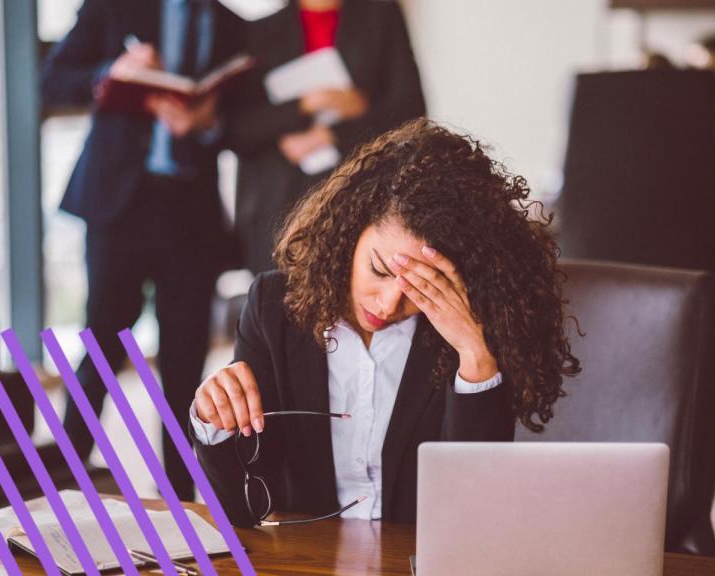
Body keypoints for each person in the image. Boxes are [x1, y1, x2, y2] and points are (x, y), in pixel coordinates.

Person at [188, 119, 581, 527]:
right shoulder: (274, 307)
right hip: (308, 560)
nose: (390, 303)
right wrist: (214, 421)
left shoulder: (467, 330)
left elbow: (471, 516)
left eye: (421, 286)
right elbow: (244, 509)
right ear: (349, 231)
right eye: (379, 269)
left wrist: (475, 356)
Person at [40, 0, 244, 501]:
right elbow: (52, 80)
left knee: (184, 359)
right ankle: (60, 482)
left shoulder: (229, 23)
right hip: (120, 206)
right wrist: (113, 71)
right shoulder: (112, 7)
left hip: (190, 211)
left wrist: (208, 122)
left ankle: (177, 495)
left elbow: (243, 118)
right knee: (102, 346)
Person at [221, 0, 426, 274]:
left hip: (362, 198)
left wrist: (334, 133)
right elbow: (238, 130)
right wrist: (303, 105)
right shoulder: (261, 31)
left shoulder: (379, 17)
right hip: (281, 210)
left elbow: (410, 111)